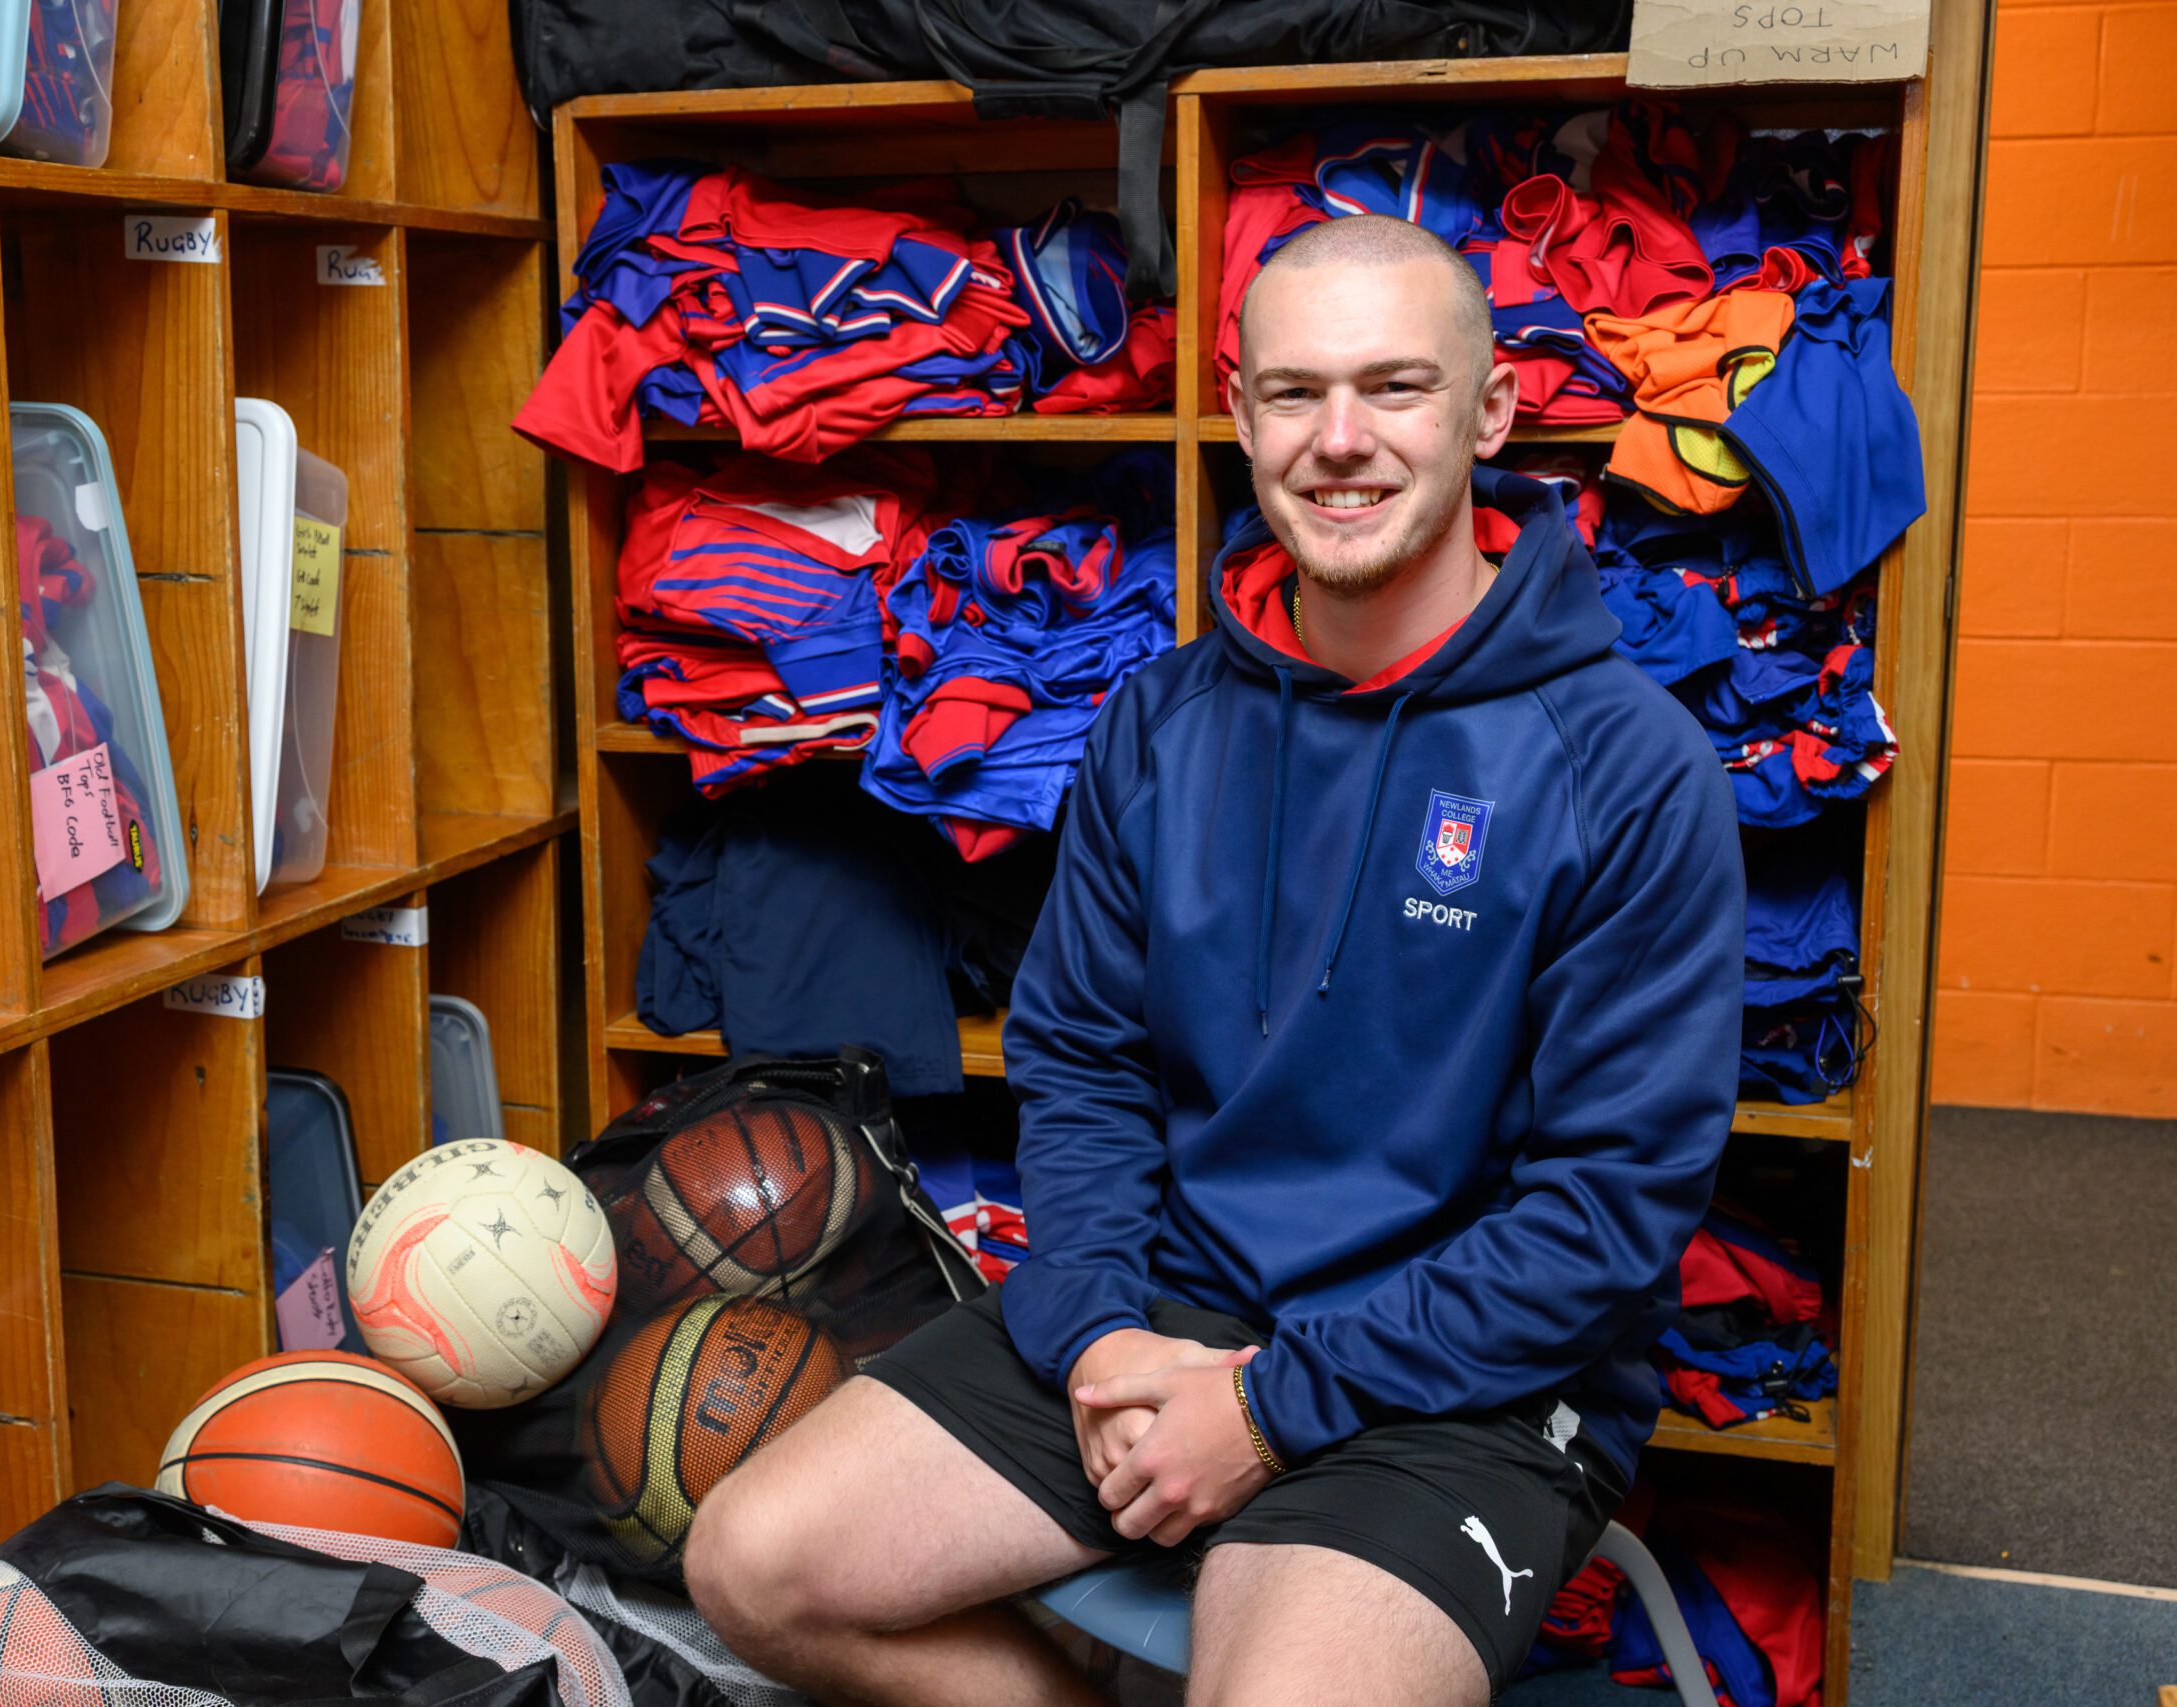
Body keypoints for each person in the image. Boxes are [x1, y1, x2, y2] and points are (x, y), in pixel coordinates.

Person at [684, 213, 1745, 1707]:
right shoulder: (1161, 720)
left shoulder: (1626, 765)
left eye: (1396, 388)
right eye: (1296, 392)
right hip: (1172, 1303)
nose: (1342, 440)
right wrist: (1107, 1325)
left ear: (1491, 412)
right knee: (758, 1563)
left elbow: (1605, 1215)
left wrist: (1267, 1412)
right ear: (1240, 416)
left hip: (1472, 1383)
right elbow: (1082, 1055)